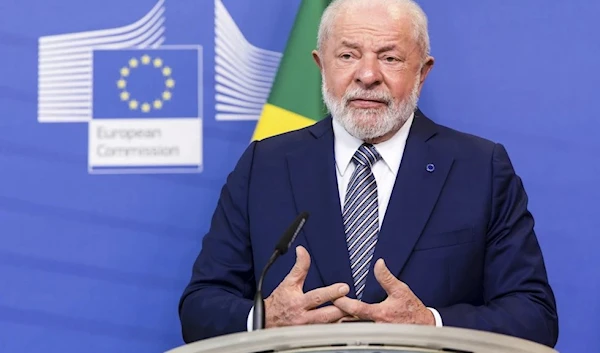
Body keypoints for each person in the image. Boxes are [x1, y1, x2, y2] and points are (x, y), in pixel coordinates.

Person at [179, 0, 558, 347]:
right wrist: (263, 319)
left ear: (422, 71)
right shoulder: (265, 165)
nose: (367, 75)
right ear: (320, 65)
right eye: (347, 55)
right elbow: (199, 308)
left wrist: (432, 324)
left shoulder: (481, 168)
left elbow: (535, 315)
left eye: (390, 58)